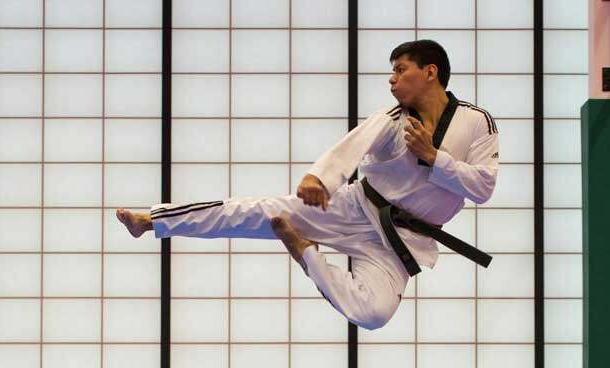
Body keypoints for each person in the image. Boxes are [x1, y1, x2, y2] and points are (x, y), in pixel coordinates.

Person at [116, 39, 498, 330]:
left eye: (400, 69)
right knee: (254, 213)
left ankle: (305, 253)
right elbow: (351, 148)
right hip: (354, 208)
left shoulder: (476, 122)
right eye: (392, 72)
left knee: (373, 314)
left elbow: (482, 187)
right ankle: (153, 220)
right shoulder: (393, 119)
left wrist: (434, 157)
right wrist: (319, 178)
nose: (391, 79)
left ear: (430, 72)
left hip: (402, 240)